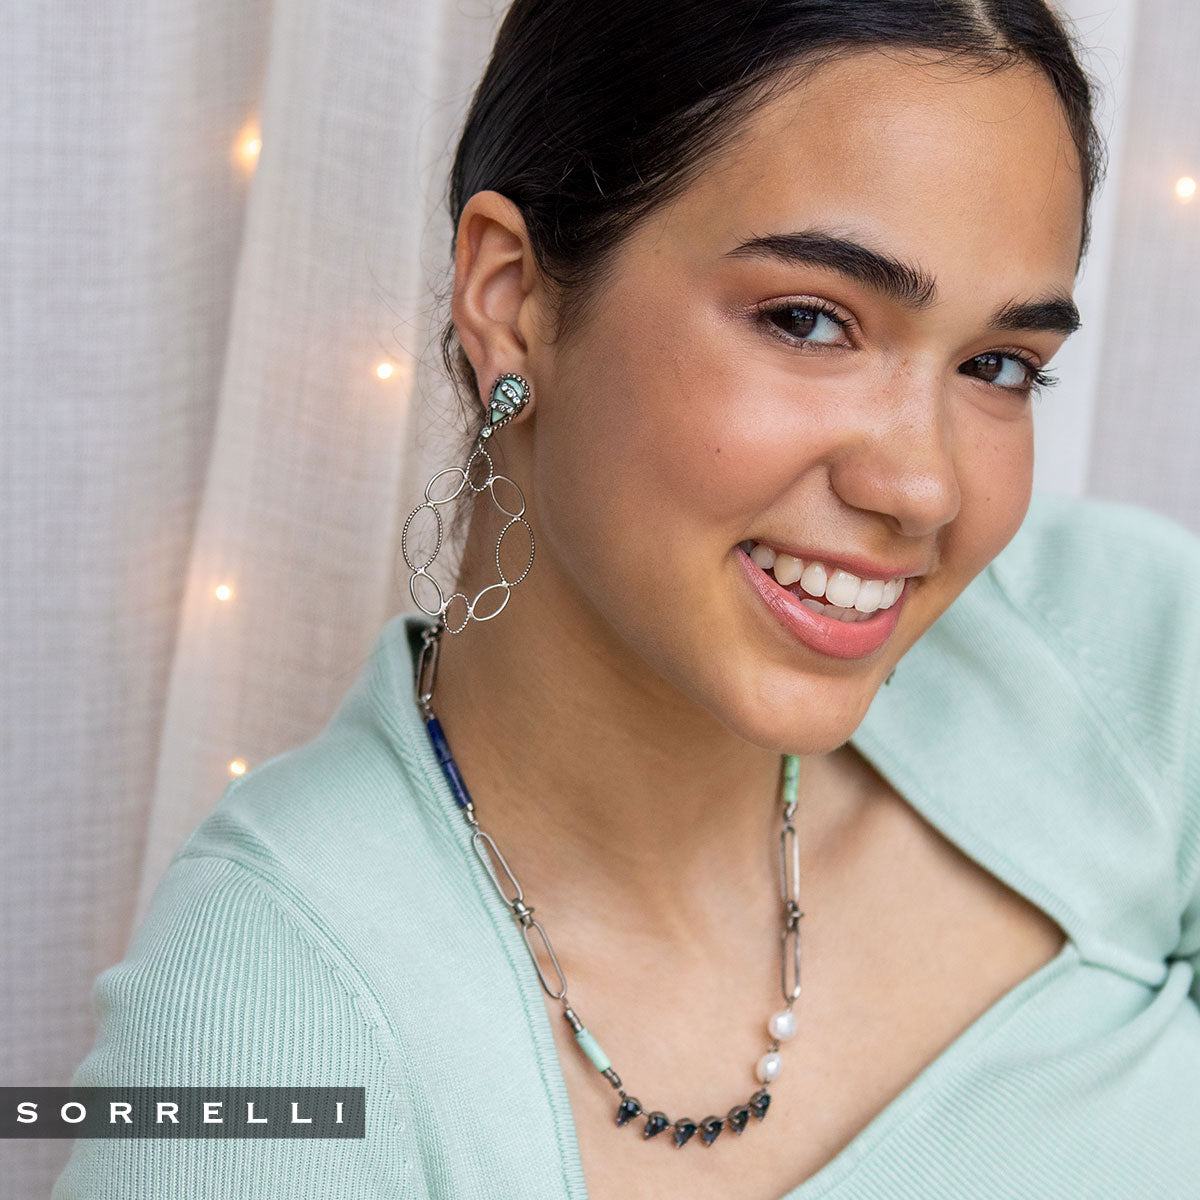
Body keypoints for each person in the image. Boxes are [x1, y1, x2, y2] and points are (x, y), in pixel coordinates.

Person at [54, 1, 1200, 1197]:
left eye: (997, 366)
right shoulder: (263, 1029)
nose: (924, 487)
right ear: (510, 296)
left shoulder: (1126, 651)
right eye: (809, 321)